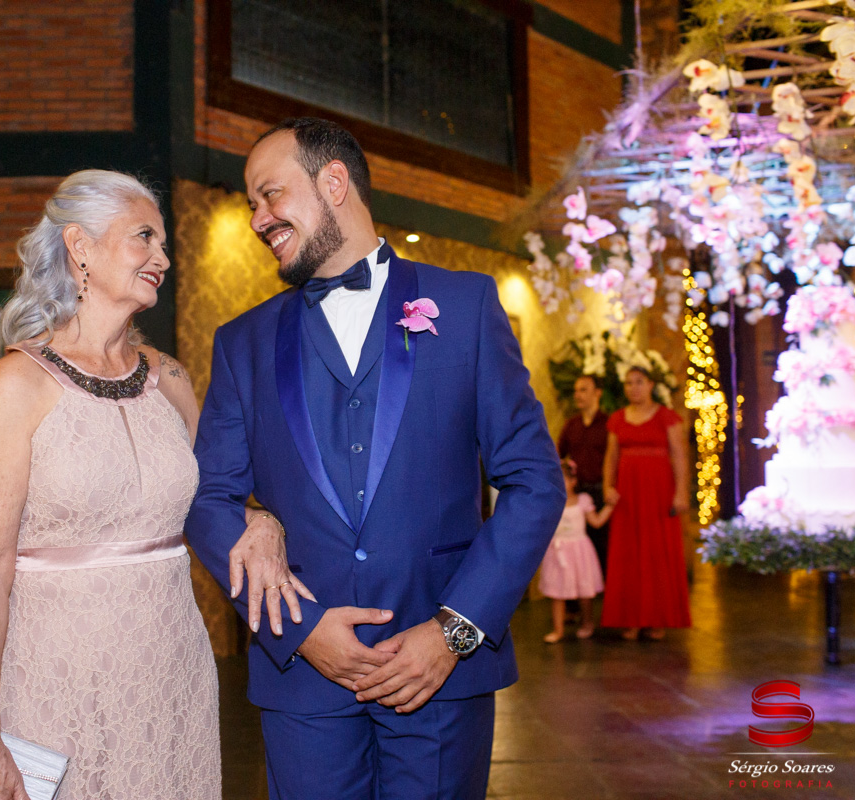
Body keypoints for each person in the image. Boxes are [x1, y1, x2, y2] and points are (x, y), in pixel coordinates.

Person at [185, 118, 565, 800]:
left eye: (270, 195)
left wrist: (453, 632)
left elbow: (534, 482)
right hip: (303, 683)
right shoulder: (242, 342)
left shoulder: (466, 306)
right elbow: (208, 498)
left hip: (440, 677)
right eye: (251, 204)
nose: (258, 219)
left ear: (334, 182)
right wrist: (300, 631)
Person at [0, 170, 266, 800]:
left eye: (164, 243)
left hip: (172, 675)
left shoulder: (170, 378)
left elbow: (218, 499)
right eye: (144, 237)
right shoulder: (16, 385)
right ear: (80, 246)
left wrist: (266, 521)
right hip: (56, 680)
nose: (163, 259)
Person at [601, 365, 692, 641]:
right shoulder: (617, 419)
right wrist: (607, 486)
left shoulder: (667, 417)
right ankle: (630, 619)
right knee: (627, 553)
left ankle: (656, 619)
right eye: (628, 383)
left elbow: (680, 456)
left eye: (639, 382)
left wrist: (681, 492)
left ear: (651, 385)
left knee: (657, 553)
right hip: (627, 495)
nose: (633, 388)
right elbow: (611, 457)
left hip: (658, 493)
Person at [540, 459, 614, 643]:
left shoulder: (583, 501)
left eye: (563, 479)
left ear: (573, 481)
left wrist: (610, 506)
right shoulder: (552, 502)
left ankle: (587, 623)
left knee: (585, 591)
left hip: (580, 552)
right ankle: (558, 630)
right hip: (557, 552)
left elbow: (596, 522)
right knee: (557, 593)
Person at [557, 374, 610, 573]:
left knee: (602, 547)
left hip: (601, 492)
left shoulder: (608, 424)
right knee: (576, 548)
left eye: (583, 389)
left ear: (598, 393)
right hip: (578, 494)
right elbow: (558, 456)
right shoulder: (571, 425)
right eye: (576, 390)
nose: (577, 395)